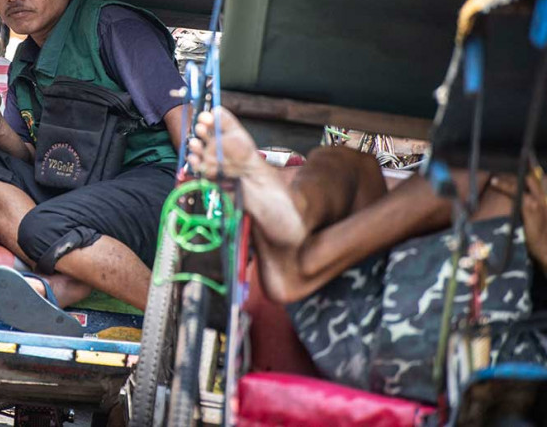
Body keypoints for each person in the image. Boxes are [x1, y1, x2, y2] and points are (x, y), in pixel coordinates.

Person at [188, 107, 547, 403]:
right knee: (348, 163)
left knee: (489, 160)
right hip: (354, 328)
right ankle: (295, 218)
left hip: (474, 357)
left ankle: (302, 261)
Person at [0, 0, 185, 335]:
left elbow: (180, 113)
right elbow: (32, 154)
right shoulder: (25, 60)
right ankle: (61, 278)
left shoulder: (114, 27)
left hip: (152, 184)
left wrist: (199, 195)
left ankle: (170, 318)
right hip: (79, 190)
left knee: (43, 225)